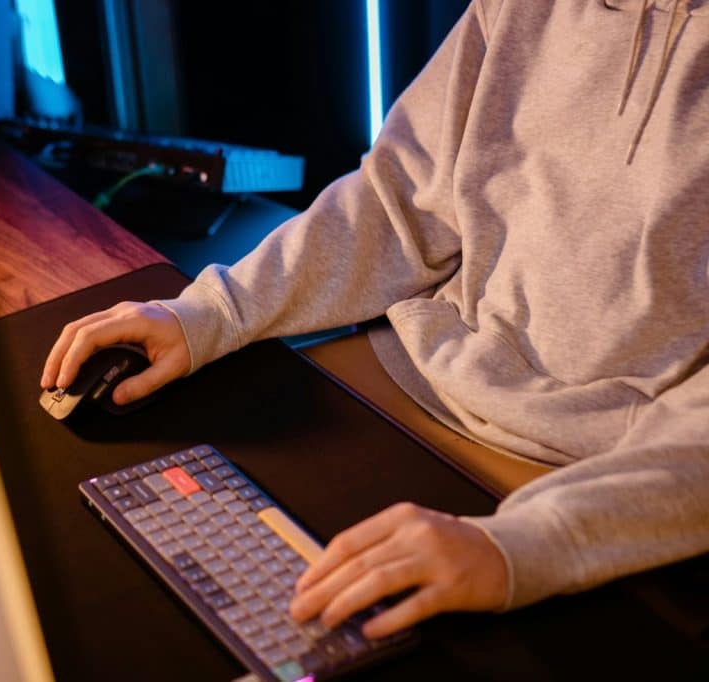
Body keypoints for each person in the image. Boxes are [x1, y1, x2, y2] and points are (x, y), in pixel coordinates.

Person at [41, 0, 709, 639]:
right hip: (415, 376)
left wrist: (528, 545)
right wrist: (217, 310)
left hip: (597, 478)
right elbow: (399, 200)